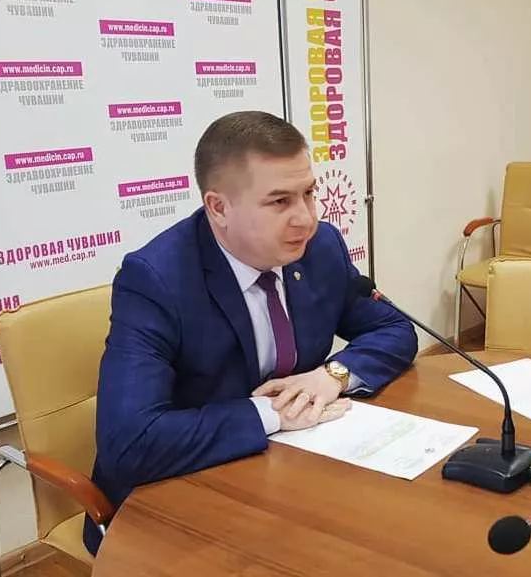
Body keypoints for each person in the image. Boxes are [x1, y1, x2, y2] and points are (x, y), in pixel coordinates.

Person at [83, 110, 418, 554]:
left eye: (309, 193)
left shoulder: (319, 248)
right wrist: (275, 414)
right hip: (180, 500)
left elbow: (395, 328)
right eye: (279, 202)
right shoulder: (157, 280)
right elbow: (130, 444)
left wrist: (331, 376)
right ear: (219, 208)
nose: (306, 219)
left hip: (289, 476)